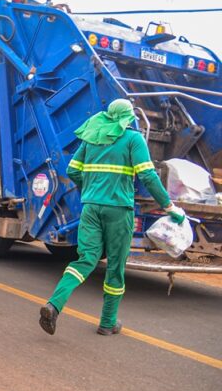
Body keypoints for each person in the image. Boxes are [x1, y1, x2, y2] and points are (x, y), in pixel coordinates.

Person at [39, 99, 185, 336]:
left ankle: (54, 305)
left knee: (85, 260)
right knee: (115, 265)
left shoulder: (92, 138)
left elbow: (72, 170)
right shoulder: (132, 139)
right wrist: (169, 207)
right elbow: (148, 176)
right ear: (128, 118)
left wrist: (89, 190)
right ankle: (107, 323)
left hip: (91, 209)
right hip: (118, 210)